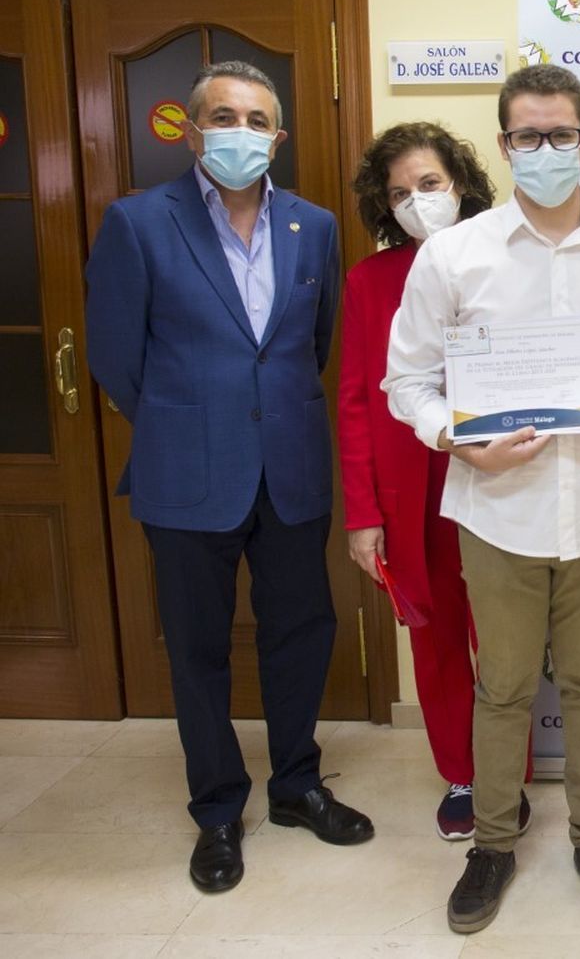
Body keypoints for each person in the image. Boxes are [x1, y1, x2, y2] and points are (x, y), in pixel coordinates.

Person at [383, 65, 580, 933]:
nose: (546, 150)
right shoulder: (455, 253)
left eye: (561, 135)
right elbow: (406, 382)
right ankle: (491, 842)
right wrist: (453, 435)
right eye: (527, 136)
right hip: (498, 505)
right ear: (505, 145)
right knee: (504, 686)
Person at [84, 60, 373, 894]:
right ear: (193, 127)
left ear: (278, 137)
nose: (239, 132)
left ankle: (296, 785)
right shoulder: (139, 223)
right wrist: (187, 422)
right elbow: (115, 359)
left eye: (255, 120)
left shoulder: (313, 227)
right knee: (199, 650)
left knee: (301, 632)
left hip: (289, 471)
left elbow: (308, 347)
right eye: (223, 116)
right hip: (186, 475)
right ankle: (216, 810)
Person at [339, 121, 535, 840]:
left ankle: (509, 773)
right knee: (440, 640)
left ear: (462, 186)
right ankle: (464, 773)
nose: (416, 202)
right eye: (399, 193)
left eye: (429, 185)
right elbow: (358, 399)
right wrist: (364, 512)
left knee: (507, 637)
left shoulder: (514, 260)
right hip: (411, 491)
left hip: (503, 476)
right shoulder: (369, 281)